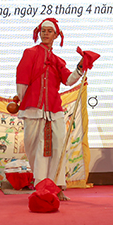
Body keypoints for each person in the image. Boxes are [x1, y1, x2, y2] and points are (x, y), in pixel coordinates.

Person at [16, 18, 83, 201]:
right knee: (34, 149)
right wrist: (24, 101)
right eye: (43, 30)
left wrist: (81, 66)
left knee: (57, 148)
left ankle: (55, 187)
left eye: (49, 31)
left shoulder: (57, 60)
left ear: (56, 35)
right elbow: (22, 80)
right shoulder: (30, 53)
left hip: (54, 110)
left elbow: (68, 80)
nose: (45, 33)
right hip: (33, 109)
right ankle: (41, 185)